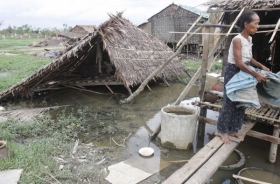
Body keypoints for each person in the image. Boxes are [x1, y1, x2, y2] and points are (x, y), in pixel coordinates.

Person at [217, 11, 270, 144]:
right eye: (256, 23)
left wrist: (260, 65)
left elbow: (248, 58)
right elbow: (239, 62)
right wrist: (257, 74)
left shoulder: (249, 39)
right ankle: (222, 131)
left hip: (245, 69)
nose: (258, 27)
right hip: (234, 70)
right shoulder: (237, 40)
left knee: (241, 102)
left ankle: (234, 129)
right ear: (246, 24)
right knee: (229, 102)